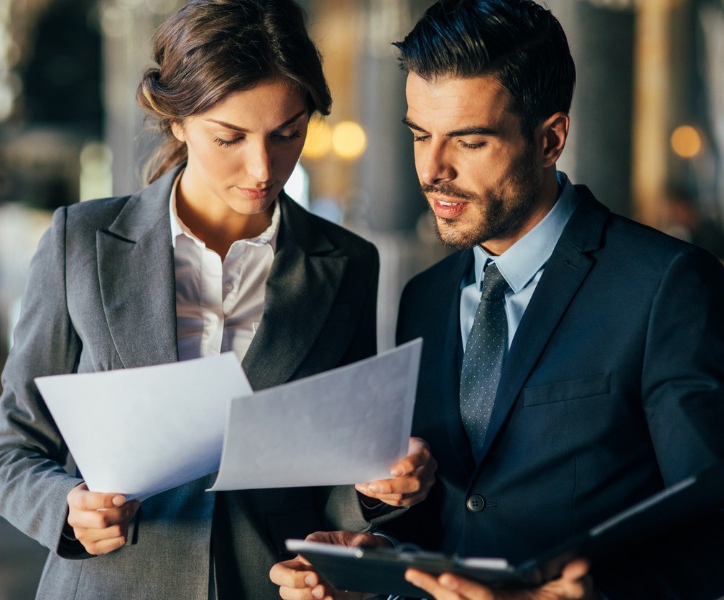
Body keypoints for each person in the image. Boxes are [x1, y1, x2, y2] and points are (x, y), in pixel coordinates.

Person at [0, 1, 436, 598]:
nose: (261, 167)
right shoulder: (82, 243)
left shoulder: (345, 263)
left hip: (266, 585)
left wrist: (375, 488)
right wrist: (66, 507)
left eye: (288, 133)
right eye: (230, 137)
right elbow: (13, 454)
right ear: (175, 120)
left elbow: (334, 471)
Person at [270, 1, 724, 599]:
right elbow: (450, 514)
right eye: (420, 135)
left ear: (549, 139)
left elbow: (711, 530)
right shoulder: (424, 299)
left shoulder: (667, 285)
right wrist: (378, 556)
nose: (433, 170)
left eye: (470, 141)